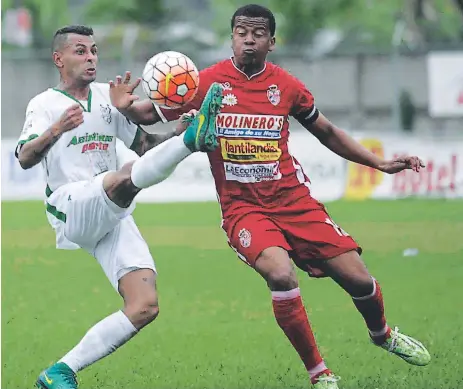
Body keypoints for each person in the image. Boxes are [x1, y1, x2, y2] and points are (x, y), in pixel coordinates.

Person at [110, 4, 432, 389]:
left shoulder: (288, 86)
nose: (249, 39)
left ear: (272, 42)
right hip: (243, 208)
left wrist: (378, 163)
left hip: (293, 200)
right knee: (280, 274)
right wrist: (124, 106)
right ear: (231, 37)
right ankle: (320, 374)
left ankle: (382, 335)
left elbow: (326, 132)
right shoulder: (206, 82)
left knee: (359, 281)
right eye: (242, 32)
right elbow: (149, 114)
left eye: (258, 33)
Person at [15, 25, 224, 389]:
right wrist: (57, 130)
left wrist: (175, 131)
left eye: (94, 50)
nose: (91, 57)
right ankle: (192, 142)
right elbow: (24, 157)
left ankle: (59, 372)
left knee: (144, 305)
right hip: (71, 205)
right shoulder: (44, 104)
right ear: (58, 59)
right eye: (80, 51)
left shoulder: (106, 97)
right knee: (123, 177)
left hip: (112, 209)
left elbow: (144, 145)